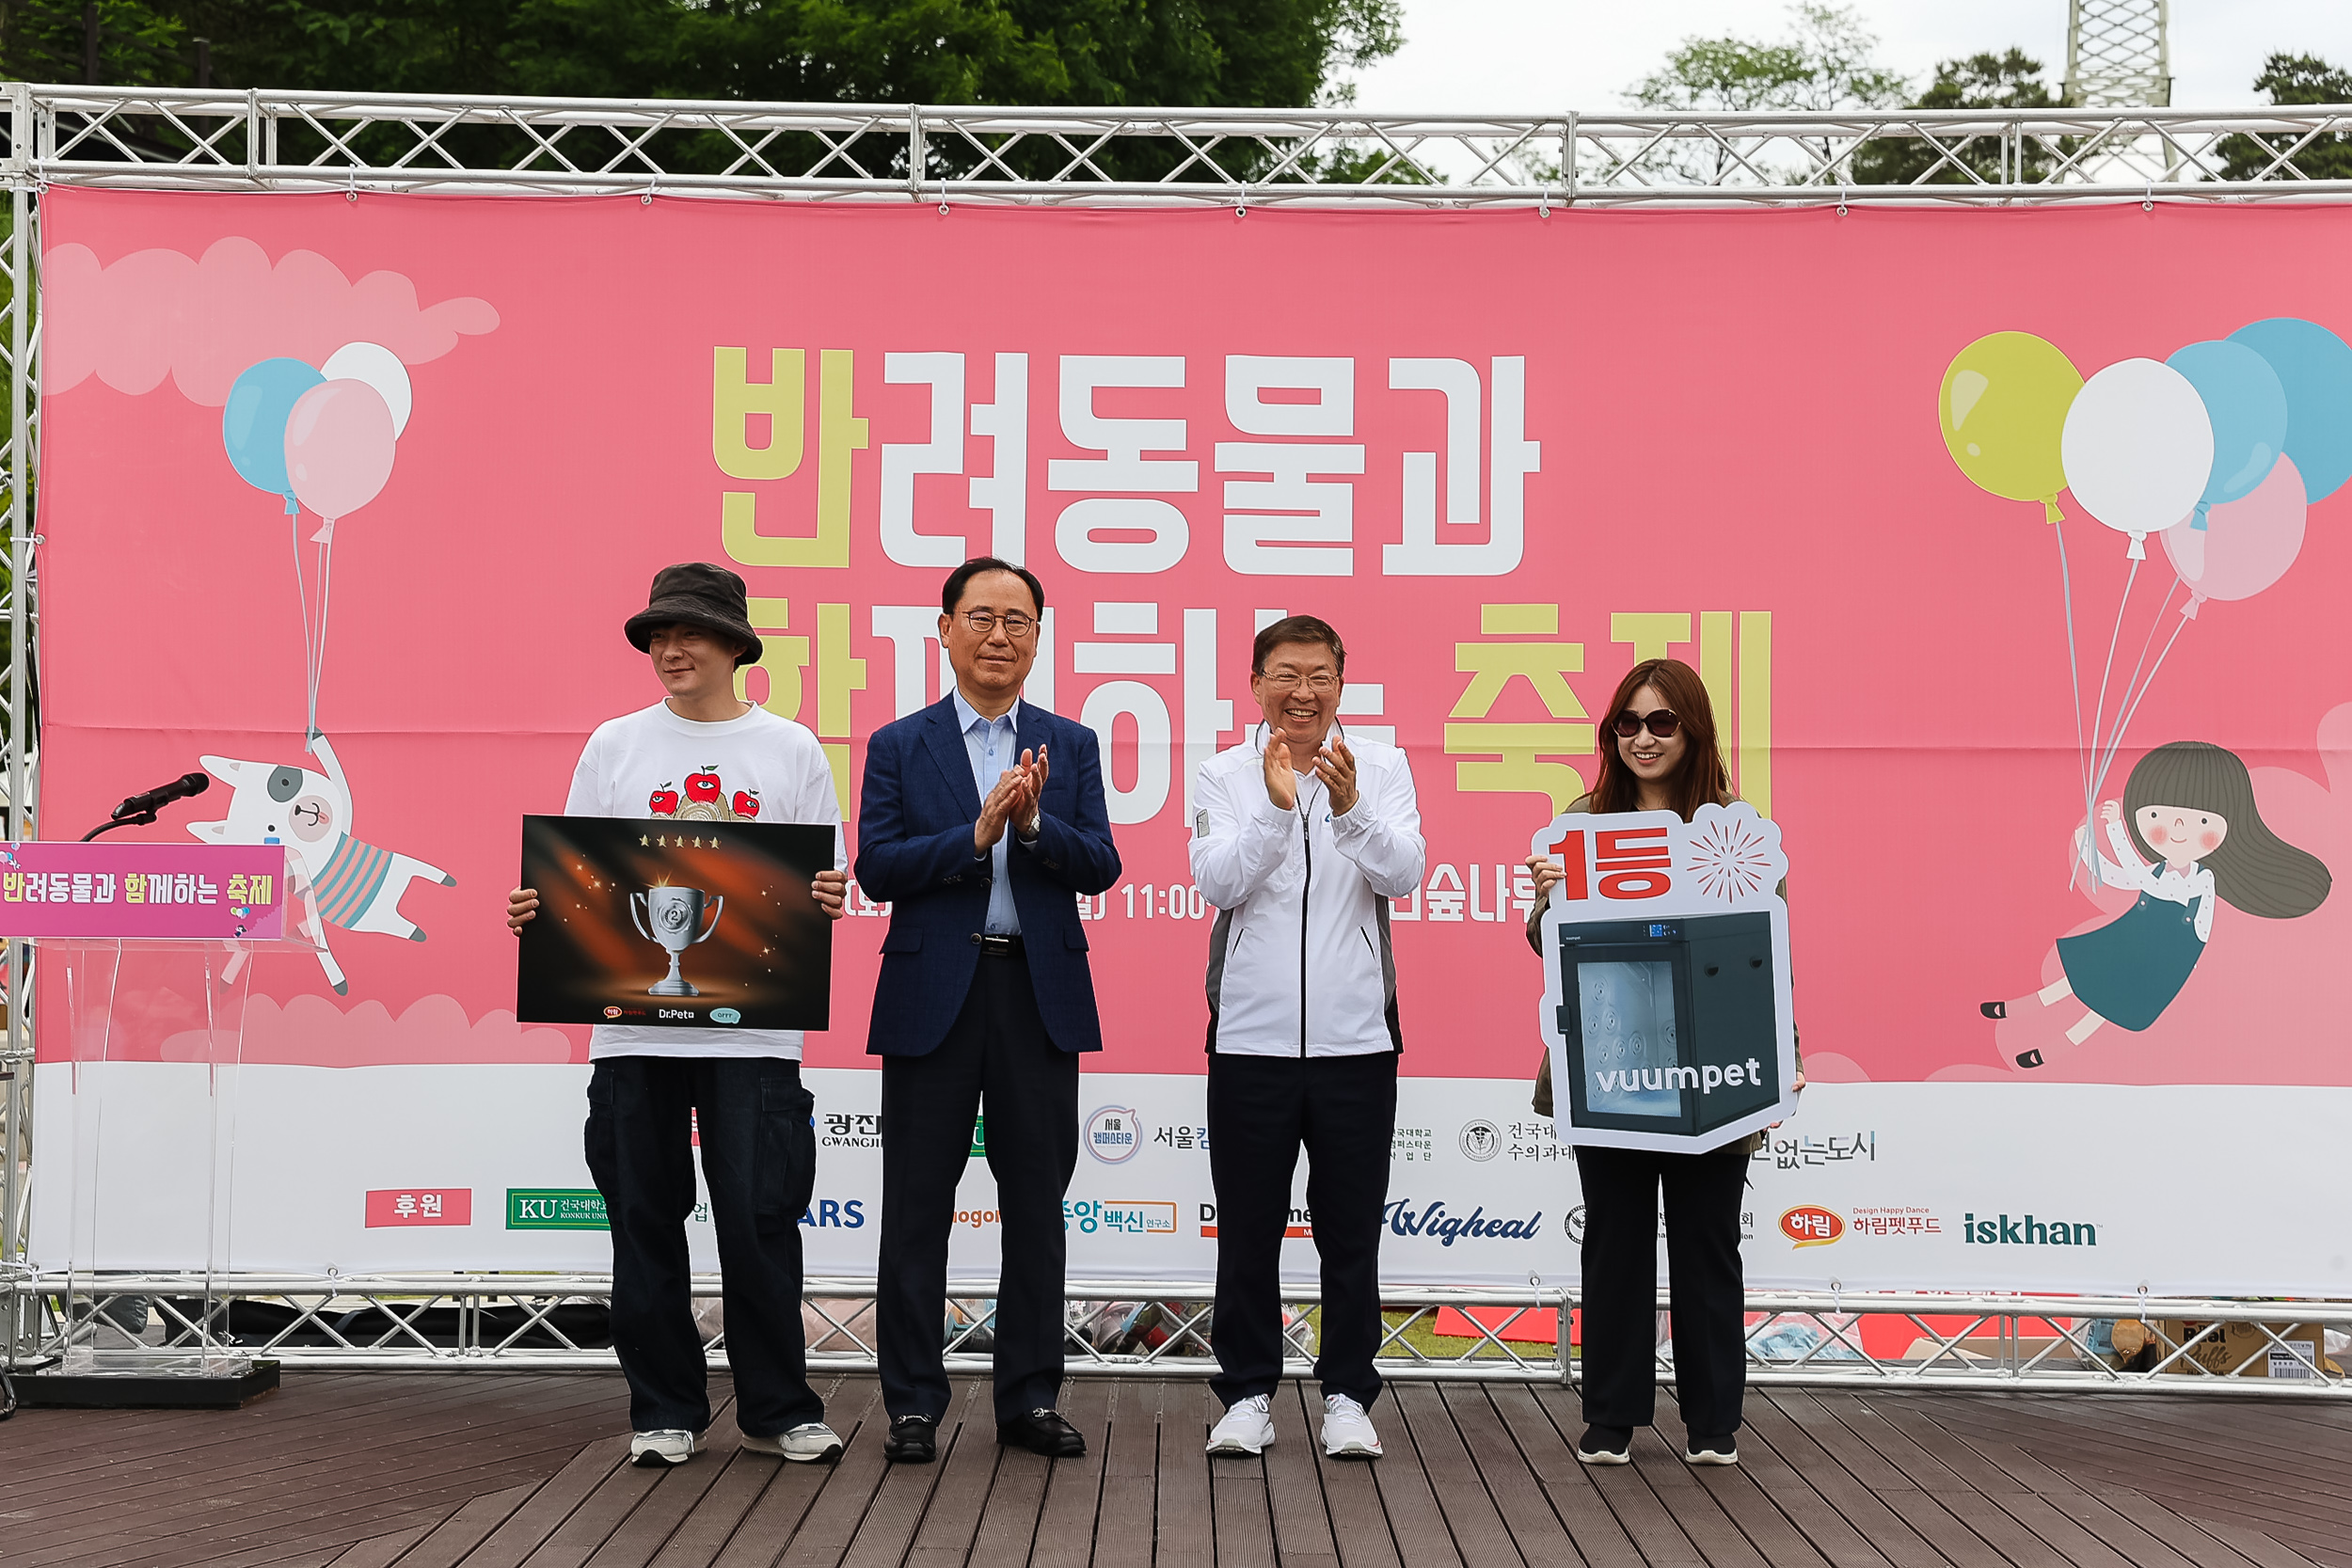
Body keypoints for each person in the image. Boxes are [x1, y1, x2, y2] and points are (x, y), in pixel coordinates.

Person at [507, 562, 850, 1469]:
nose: (671, 648)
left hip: (757, 1035)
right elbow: (579, 881)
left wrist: (826, 891)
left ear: (737, 645)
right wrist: (540, 908)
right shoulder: (616, 743)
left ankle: (779, 1406)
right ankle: (665, 1406)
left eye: (690, 632)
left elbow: (822, 882)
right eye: (658, 634)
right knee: (644, 1219)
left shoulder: (791, 749)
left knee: (760, 1218)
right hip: (630, 1029)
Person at [856, 556, 1120, 1465]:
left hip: (1036, 993)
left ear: (1039, 636)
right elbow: (878, 867)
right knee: (917, 1207)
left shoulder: (1069, 744)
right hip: (933, 996)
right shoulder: (900, 743)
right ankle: (913, 1404)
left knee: (1037, 1208)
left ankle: (1030, 1398)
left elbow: (1101, 864)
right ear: (945, 630)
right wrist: (973, 836)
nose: (999, 634)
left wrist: (1037, 827)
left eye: (1018, 619)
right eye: (981, 617)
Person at [1521, 656, 1799, 1469]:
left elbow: (1769, 953)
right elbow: (1547, 943)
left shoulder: (1733, 827)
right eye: (1628, 723)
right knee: (1615, 1237)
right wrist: (1550, 895)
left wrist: (1783, 1051)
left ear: (1694, 731)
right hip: (1609, 1058)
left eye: (1662, 722)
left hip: (1712, 1068)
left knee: (1708, 1241)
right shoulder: (1583, 820)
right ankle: (1610, 1418)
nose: (1643, 738)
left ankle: (1714, 1422)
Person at [1190, 616, 1424, 1461]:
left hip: (1356, 1041)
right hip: (1249, 1041)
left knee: (1350, 1226)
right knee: (1249, 1225)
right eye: (1286, 674)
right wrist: (1277, 813)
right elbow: (1215, 880)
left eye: (1320, 675)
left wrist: (1352, 805)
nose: (1303, 691)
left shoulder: (1385, 767)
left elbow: (1405, 871)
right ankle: (1248, 1391)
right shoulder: (1224, 772)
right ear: (1256, 684)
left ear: (1341, 681)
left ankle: (1347, 1396)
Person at [1981, 740, 2328, 1069]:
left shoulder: (2201, 879)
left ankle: (2046, 1051)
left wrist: (2115, 830)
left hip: (2165, 957)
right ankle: (2015, 1009)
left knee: (2103, 1009)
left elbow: (2187, 912)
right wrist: (2088, 850)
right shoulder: (2157, 868)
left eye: (2202, 822)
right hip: (2129, 938)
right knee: (2078, 980)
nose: (2178, 829)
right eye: (2157, 817)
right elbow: (2121, 877)